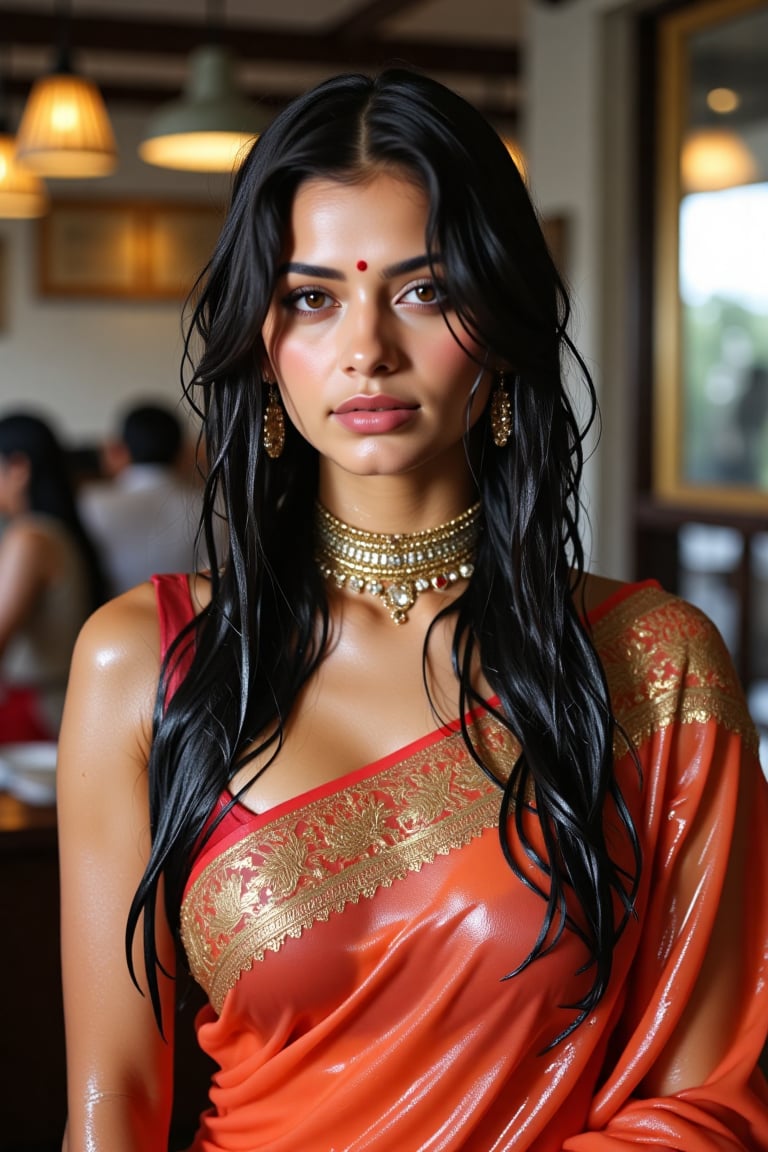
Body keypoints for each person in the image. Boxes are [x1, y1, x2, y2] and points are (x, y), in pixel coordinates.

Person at [57, 69, 768, 1151]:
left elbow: (708, 1100)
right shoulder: (148, 661)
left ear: (499, 318)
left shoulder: (655, 668)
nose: (366, 349)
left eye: (424, 289)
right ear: (263, 342)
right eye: (312, 297)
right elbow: (113, 1104)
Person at [0, 412, 104, 743]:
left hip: (36, 710)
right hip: (61, 704)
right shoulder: (58, 530)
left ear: (18, 468)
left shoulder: (29, 538)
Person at [78, 401, 203, 595]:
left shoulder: (90, 504)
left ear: (118, 450)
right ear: (184, 452)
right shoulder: (216, 505)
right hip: (202, 619)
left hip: (112, 619)